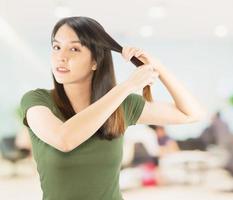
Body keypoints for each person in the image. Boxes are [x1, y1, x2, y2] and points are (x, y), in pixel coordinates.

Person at [20, 16, 203, 200]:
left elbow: (191, 114)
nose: (61, 56)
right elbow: (64, 139)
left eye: (74, 49)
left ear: (95, 62)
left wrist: (157, 66)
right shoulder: (37, 101)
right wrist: (127, 86)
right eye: (56, 47)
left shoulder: (122, 105)